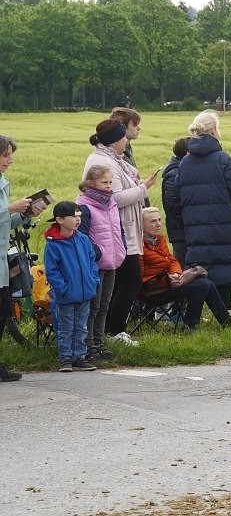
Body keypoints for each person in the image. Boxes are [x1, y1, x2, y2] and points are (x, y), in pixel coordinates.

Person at [83, 118, 156, 347]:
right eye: (123, 137)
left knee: (118, 283)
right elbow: (114, 198)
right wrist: (144, 188)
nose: (127, 141)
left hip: (118, 229)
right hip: (116, 231)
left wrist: (138, 185)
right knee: (131, 280)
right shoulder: (106, 162)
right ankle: (115, 331)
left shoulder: (112, 158)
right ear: (115, 140)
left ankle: (106, 331)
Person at [178, 110, 231, 317]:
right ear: (214, 131)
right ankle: (226, 313)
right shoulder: (222, 159)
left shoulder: (185, 162)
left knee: (200, 265)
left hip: (193, 224)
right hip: (220, 221)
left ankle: (196, 315)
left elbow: (178, 190)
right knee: (223, 263)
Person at [140, 208, 231, 330]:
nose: (158, 224)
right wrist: (167, 280)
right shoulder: (138, 246)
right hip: (153, 290)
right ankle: (192, 325)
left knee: (207, 283)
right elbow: (140, 276)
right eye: (153, 221)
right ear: (141, 225)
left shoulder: (158, 239)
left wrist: (176, 274)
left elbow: (172, 261)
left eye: (159, 220)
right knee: (202, 285)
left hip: (168, 283)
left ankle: (224, 323)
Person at [1, 134, 46, 382]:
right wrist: (10, 208)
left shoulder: (2, 182)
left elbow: (5, 222)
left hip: (1, 260)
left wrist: (26, 214)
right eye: (6, 155)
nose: (10, 160)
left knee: (3, 310)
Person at [75, 165, 126, 362]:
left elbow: (118, 229)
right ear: (90, 183)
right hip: (96, 264)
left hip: (112, 262)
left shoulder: (111, 203)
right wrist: (98, 253)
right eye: (104, 183)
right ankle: (88, 346)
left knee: (104, 306)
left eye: (110, 182)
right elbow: (83, 236)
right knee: (92, 306)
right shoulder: (85, 207)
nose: (108, 187)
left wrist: (121, 247)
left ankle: (99, 343)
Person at [43, 201, 100, 372]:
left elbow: (92, 262)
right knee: (66, 327)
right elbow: (52, 271)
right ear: (60, 220)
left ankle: (79, 357)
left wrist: (93, 280)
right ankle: (65, 358)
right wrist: (63, 289)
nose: (77, 220)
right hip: (66, 295)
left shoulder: (82, 239)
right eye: (73, 217)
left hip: (85, 293)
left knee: (81, 326)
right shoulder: (53, 244)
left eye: (79, 216)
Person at [160, 137, 190, 266]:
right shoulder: (174, 174)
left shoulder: (181, 169)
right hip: (181, 233)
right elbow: (173, 206)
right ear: (187, 153)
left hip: (185, 230)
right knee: (183, 270)